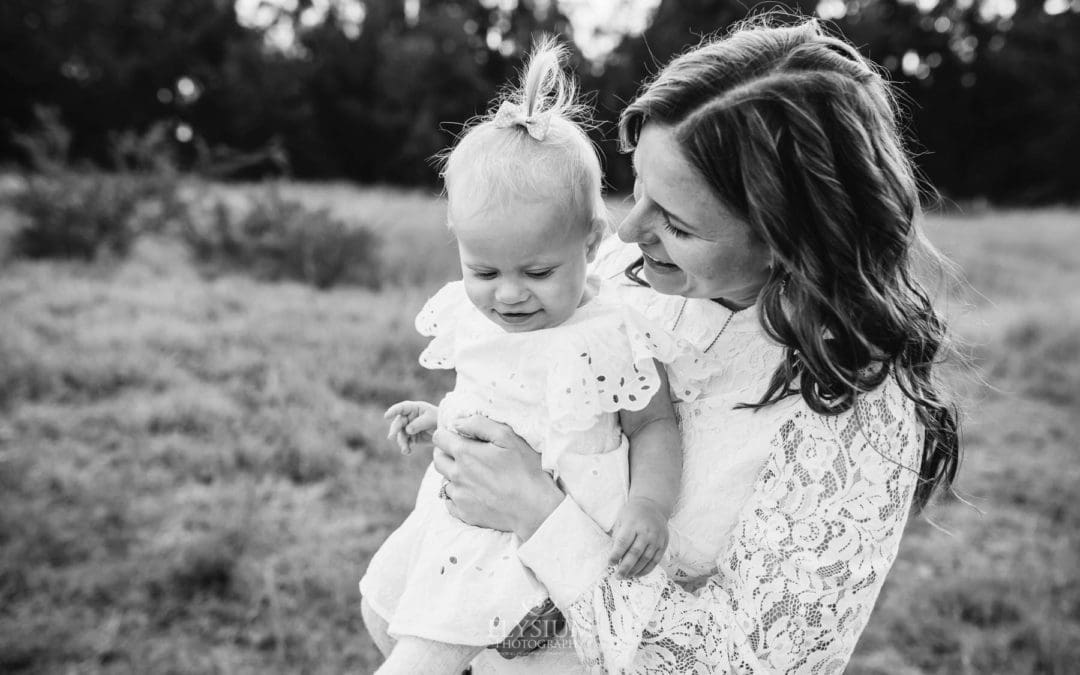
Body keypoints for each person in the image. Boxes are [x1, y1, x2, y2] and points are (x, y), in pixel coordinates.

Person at [424, 16, 961, 674]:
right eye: (638, 186)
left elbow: (751, 662)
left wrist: (539, 514)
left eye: (676, 223)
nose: (627, 232)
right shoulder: (622, 283)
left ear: (787, 240)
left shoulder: (860, 419)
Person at [359, 38, 708, 674]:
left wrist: (649, 504)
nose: (510, 294)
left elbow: (655, 421)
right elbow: (495, 401)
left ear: (592, 242)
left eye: (539, 271)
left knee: (429, 654)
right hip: (467, 517)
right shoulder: (477, 315)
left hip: (547, 533)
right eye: (483, 269)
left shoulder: (608, 333)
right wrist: (441, 419)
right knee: (383, 611)